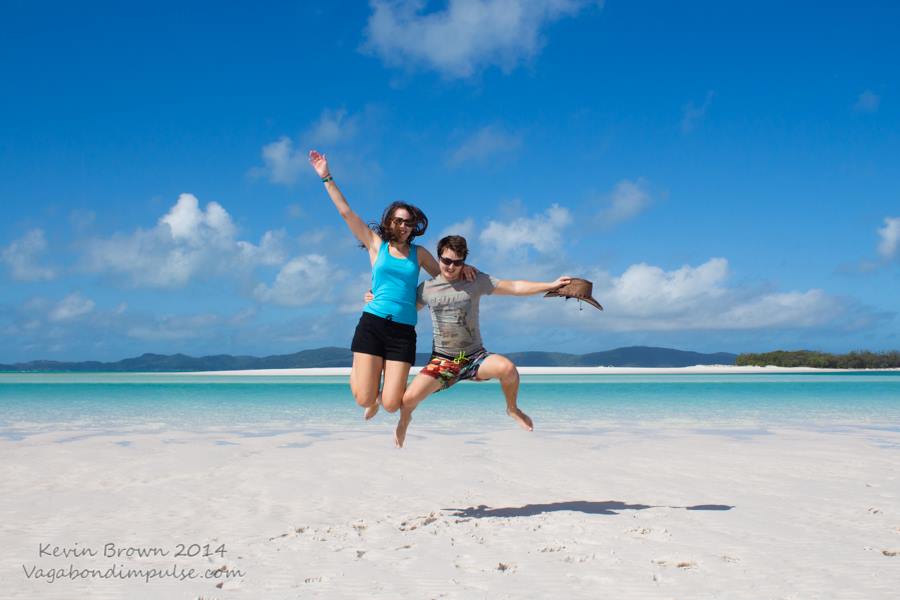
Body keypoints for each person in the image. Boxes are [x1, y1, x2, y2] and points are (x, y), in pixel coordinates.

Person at [308, 151, 474, 420]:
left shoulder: (418, 253)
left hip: (402, 332)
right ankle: (365, 384)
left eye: (409, 222)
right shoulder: (377, 246)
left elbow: (444, 278)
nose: (404, 226)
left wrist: (463, 266)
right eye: (399, 221)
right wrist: (326, 176)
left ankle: (374, 383)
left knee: (392, 404)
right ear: (389, 222)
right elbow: (345, 212)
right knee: (364, 398)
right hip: (373, 324)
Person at [384, 235, 570, 447]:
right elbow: (403, 309)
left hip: (474, 357)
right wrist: (376, 298)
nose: (451, 267)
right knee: (407, 400)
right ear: (439, 258)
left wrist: (550, 285)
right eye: (446, 261)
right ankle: (405, 421)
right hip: (444, 361)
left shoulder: (475, 280)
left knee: (508, 369)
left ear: (463, 261)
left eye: (457, 262)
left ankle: (512, 408)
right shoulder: (426, 289)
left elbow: (515, 287)